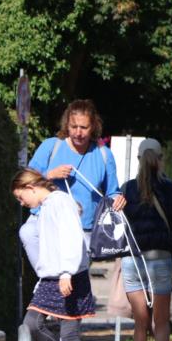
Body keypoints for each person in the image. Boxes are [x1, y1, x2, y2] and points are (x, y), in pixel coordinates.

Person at [12, 168, 95, 341]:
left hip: (68, 276)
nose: (22, 203)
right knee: (31, 324)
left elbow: (71, 236)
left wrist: (67, 270)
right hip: (51, 279)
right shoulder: (47, 206)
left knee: (69, 334)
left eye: (21, 197)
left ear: (30, 188)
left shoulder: (60, 202)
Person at [119, 139, 172, 341]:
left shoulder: (126, 189)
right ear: (160, 159)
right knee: (160, 320)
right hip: (160, 257)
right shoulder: (170, 188)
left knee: (140, 322)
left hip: (133, 260)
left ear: (138, 159)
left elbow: (120, 223)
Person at [28, 100, 125, 242]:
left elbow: (112, 192)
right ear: (67, 125)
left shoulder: (104, 155)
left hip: (84, 230)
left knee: (78, 265)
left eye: (84, 127)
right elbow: (25, 181)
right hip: (48, 224)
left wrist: (118, 199)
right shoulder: (50, 147)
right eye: (74, 127)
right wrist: (49, 175)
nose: (78, 133)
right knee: (27, 233)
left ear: (93, 127)